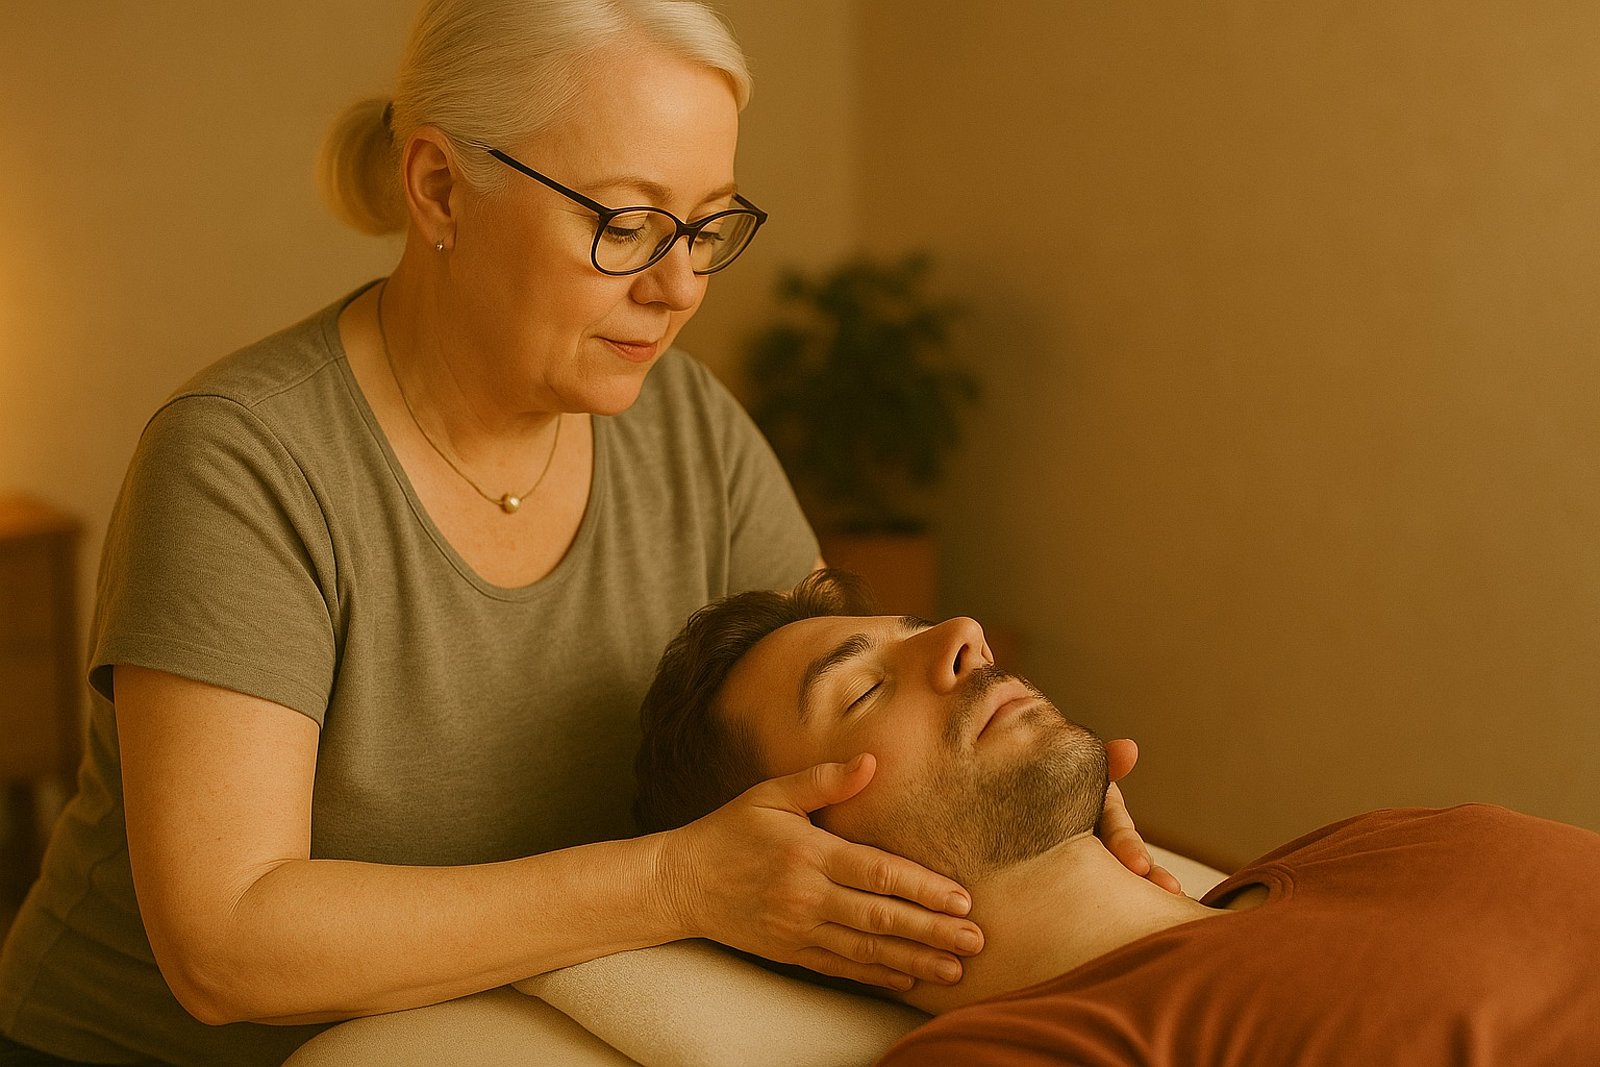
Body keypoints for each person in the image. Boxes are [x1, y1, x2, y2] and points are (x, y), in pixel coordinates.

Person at [0, 4, 1030, 1064]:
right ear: (440, 187)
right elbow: (228, 945)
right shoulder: (243, 465)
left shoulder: (690, 428)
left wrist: (1043, 818)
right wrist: (673, 880)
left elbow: (858, 720)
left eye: (707, 225)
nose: (677, 287)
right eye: (625, 224)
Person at [634, 570, 1600, 1066]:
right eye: (861, 690)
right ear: (794, 860)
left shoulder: (1378, 841)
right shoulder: (1028, 1054)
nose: (962, 638)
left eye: (920, 630)